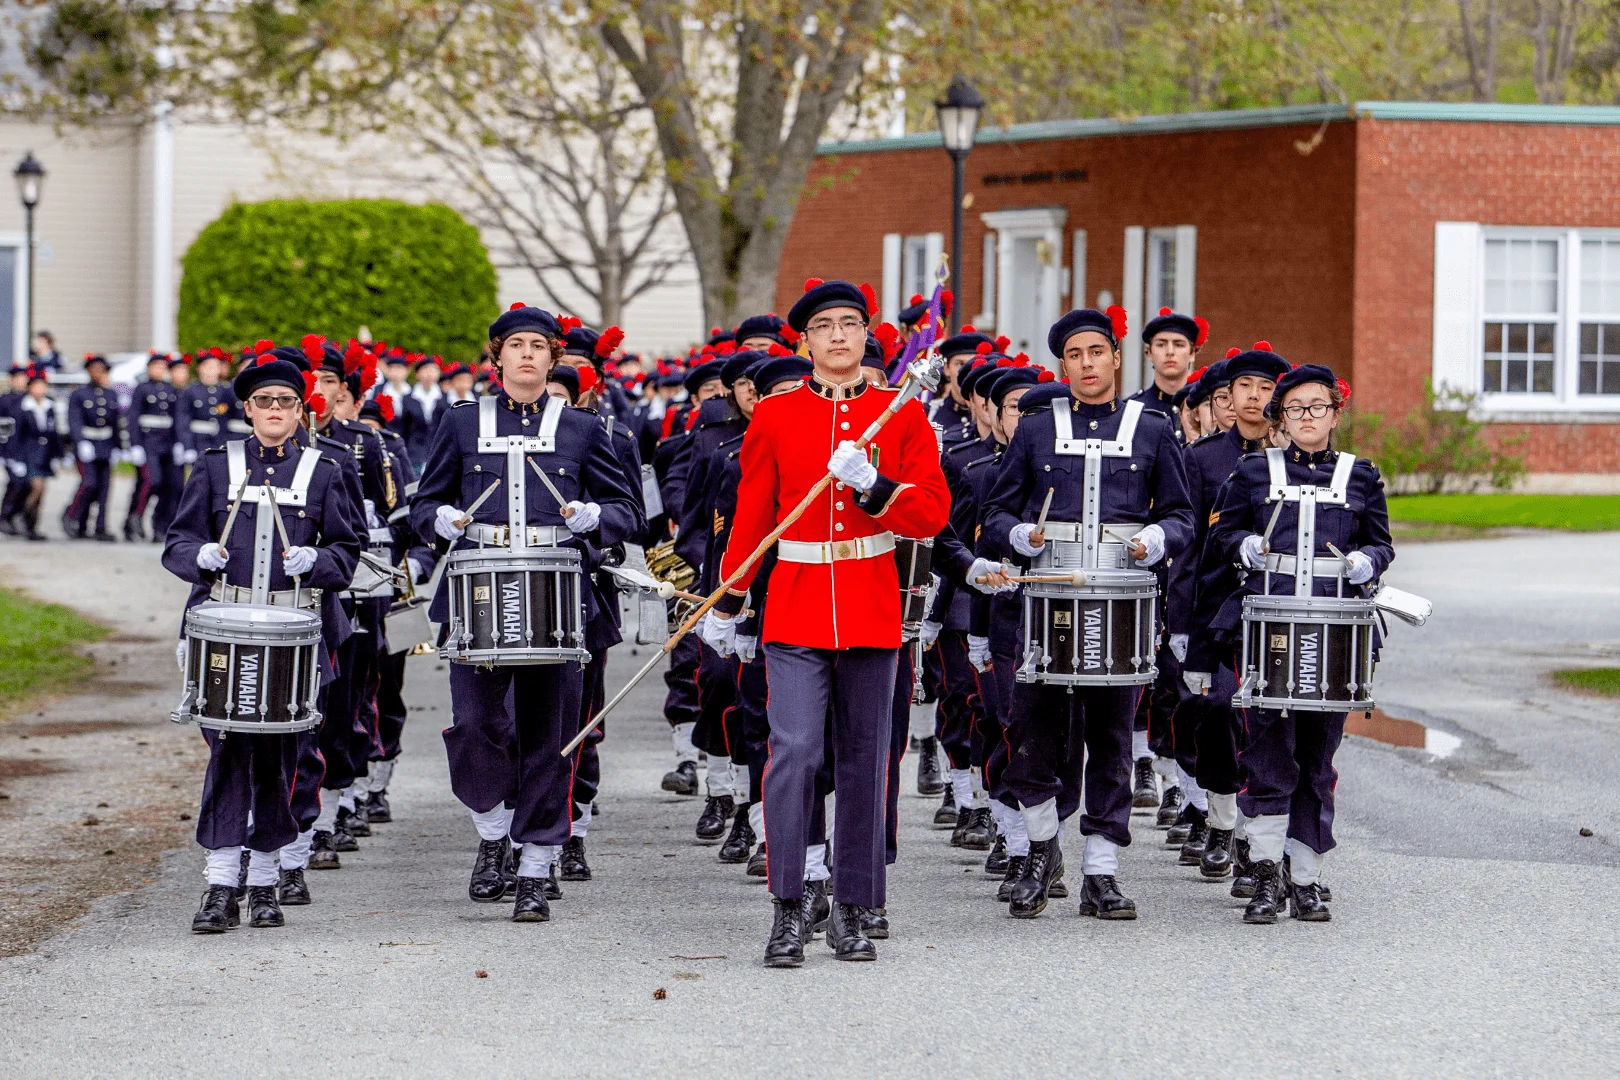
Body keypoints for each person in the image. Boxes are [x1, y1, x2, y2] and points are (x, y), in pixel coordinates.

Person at [700, 278, 949, 967]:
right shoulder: (776, 417)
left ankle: (853, 906)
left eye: (850, 324)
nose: (839, 336)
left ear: (867, 336)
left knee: (867, 761)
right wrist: (728, 600)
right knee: (796, 752)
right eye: (825, 327)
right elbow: (753, 518)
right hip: (798, 603)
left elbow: (931, 513)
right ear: (804, 341)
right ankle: (788, 905)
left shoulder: (898, 416)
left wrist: (872, 487)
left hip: (871, 603)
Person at [412, 303, 640, 923]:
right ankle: (493, 830)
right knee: (477, 725)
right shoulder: (460, 424)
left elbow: (628, 511)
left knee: (550, 736)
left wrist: (599, 519)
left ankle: (535, 867)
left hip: (560, 595)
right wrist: (436, 519)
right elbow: (424, 500)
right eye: (517, 345)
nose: (529, 355)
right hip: (477, 593)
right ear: (497, 358)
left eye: (540, 346)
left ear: (553, 358)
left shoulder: (583, 429)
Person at [983, 306, 1193, 920]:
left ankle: (1101, 871)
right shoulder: (1035, 430)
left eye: (1096, 352)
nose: (1086, 364)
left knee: (1111, 738)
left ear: (1117, 358)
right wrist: (1019, 534)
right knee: (1032, 734)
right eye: (1074, 355)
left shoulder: (1152, 426)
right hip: (1047, 604)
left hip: (1123, 603)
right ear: (1063, 364)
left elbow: (1182, 515)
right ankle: (1042, 850)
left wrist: (1157, 539)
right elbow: (996, 513)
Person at [1186, 363, 1391, 922]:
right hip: (1267, 634)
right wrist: (1243, 545)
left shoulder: (1362, 476)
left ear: (1334, 413)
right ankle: (1267, 875)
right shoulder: (1252, 473)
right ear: (1282, 416)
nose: (1307, 417)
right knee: (1268, 755)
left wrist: (1365, 561)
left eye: (1317, 407)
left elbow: (1382, 545)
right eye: (1296, 408)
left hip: (1333, 637)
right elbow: (1218, 541)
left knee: (1317, 761)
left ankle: (1306, 879)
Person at [162, 354, 359, 932]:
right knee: (227, 751)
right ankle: (221, 884)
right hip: (222, 628)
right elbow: (178, 542)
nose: (275, 412)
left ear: (301, 411)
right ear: (247, 409)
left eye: (287, 403)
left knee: (281, 757)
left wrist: (317, 560)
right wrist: (196, 558)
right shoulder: (215, 464)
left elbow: (348, 552)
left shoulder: (325, 471)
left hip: (295, 633)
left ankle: (267, 880)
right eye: (264, 402)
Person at [1166, 343, 1288, 877]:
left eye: (1265, 388)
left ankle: (1266, 838)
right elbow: (1187, 544)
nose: (1255, 397)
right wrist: (1179, 624)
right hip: (1216, 612)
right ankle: (1219, 818)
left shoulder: (1298, 458)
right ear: (1228, 397)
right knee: (1216, 708)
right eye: (1245, 388)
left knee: (1271, 720)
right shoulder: (1202, 458)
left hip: (1281, 610)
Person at [121, 352, 183, 542]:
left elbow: (177, 419)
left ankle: (161, 525)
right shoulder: (142, 389)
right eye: (156, 367)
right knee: (151, 481)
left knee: (171, 485)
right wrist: (135, 445)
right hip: (148, 444)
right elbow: (133, 418)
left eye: (163, 367)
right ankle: (135, 517)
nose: (160, 370)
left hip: (168, 443)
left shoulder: (172, 390)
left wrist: (180, 442)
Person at [63, 353, 119, 540]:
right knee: (89, 483)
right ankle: (72, 515)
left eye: (101, 370)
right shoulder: (79, 394)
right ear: (88, 371)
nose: (98, 373)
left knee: (104, 488)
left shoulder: (111, 394)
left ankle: (100, 527)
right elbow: (74, 421)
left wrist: (119, 446)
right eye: (95, 369)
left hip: (106, 445)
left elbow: (116, 423)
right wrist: (80, 443)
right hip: (87, 444)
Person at [7, 366, 61, 540]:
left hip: (44, 455)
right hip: (27, 454)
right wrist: (13, 458)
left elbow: (54, 434)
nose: (41, 389)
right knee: (35, 487)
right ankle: (20, 514)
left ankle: (32, 526)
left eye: (43, 385)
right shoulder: (21, 406)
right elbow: (15, 436)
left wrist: (59, 455)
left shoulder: (49, 406)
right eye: (37, 385)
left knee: (42, 491)